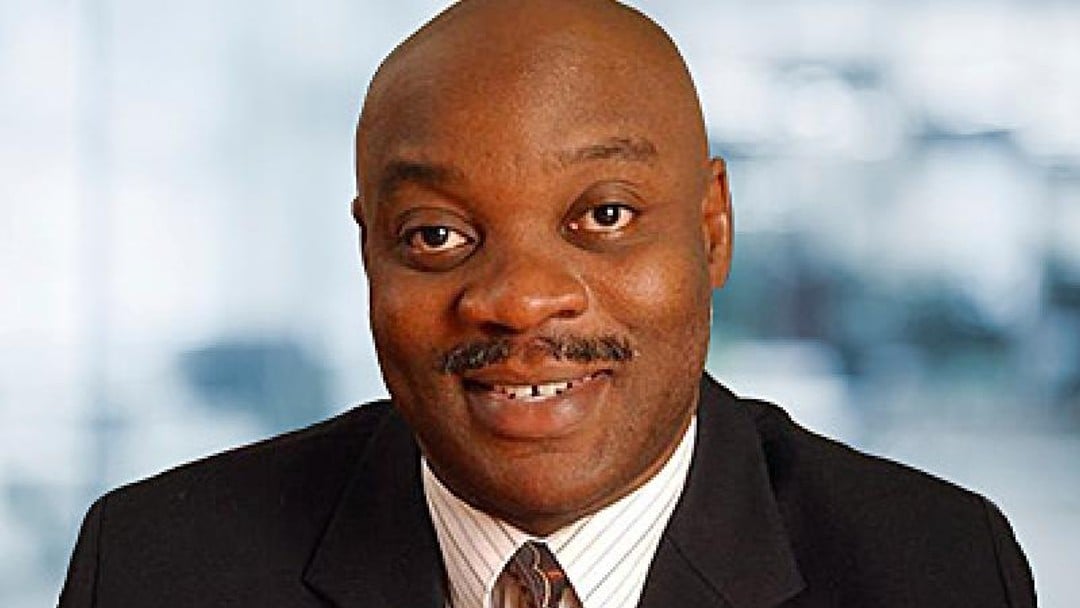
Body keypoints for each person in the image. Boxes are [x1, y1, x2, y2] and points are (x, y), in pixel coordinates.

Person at [59, 1, 1037, 606]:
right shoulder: (156, 567)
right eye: (436, 234)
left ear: (712, 230)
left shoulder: (933, 568)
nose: (521, 300)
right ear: (368, 253)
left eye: (604, 215)